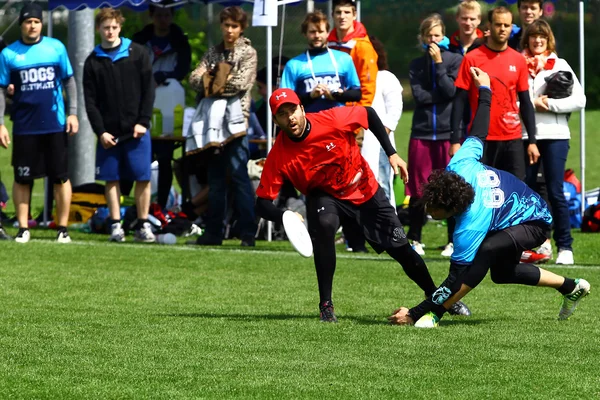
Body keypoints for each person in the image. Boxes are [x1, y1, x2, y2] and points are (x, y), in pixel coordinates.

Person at [388, 67, 590, 328]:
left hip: (535, 221)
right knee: (503, 273)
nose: (429, 211)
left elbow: (455, 279)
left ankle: (434, 316)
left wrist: (417, 312)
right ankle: (572, 287)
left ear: (451, 208)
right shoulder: (459, 163)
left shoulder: (471, 222)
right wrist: (485, 89)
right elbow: (479, 129)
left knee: (487, 250)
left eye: (433, 209)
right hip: (514, 215)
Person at [255, 88, 471, 322]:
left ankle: (437, 297)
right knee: (325, 224)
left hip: (365, 190)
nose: (290, 118)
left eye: (293, 110)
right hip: (325, 197)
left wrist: (392, 153)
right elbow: (262, 203)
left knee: (404, 251)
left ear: (302, 109)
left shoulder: (331, 119)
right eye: (283, 114)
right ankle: (326, 306)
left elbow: (368, 114)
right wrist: (285, 215)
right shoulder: (279, 154)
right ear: (275, 120)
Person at [0, 3, 79, 243]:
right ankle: (23, 228)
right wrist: (0, 123)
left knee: (60, 177)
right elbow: (1, 90)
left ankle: (62, 228)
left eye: (36, 21)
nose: (32, 25)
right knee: (22, 178)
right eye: (27, 22)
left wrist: (73, 112)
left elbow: (69, 81)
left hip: (54, 124)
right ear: (22, 25)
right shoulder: (9, 54)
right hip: (25, 125)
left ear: (41, 24)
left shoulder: (55, 48)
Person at [83, 8, 156, 243]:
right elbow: (90, 101)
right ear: (98, 30)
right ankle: (116, 226)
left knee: (142, 177)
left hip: (137, 131)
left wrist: (143, 122)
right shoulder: (92, 60)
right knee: (111, 179)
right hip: (108, 133)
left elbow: (149, 90)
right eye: (106, 27)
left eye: (114, 27)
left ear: (120, 27)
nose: (110, 31)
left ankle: (143, 225)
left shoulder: (138, 53)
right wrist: (100, 131)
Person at [188, 6, 258, 247]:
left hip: (237, 122)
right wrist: (217, 77)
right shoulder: (213, 52)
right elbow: (193, 79)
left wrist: (212, 78)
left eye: (234, 26)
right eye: (226, 25)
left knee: (239, 177)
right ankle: (213, 233)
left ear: (242, 28)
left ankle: (248, 233)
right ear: (221, 26)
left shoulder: (248, 53)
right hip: (211, 125)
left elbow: (240, 83)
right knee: (215, 180)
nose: (229, 30)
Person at [519, 20, 586, 265]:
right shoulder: (517, 62)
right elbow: (509, 101)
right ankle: (531, 245)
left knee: (556, 192)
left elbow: (580, 100)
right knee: (526, 193)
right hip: (525, 137)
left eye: (542, 37)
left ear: (549, 41)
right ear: (527, 40)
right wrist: (528, 105)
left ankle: (565, 246)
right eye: (534, 37)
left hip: (556, 136)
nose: (538, 41)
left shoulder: (560, 64)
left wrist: (549, 105)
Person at [451, 6, 538, 182]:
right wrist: (454, 140)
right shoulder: (472, 58)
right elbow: (459, 101)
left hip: (512, 139)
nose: (503, 29)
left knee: (516, 191)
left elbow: (526, 102)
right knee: (482, 192)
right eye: (498, 24)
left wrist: (532, 141)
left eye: (507, 25)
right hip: (482, 139)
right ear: (489, 27)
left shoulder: (518, 60)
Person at [406, 15, 463, 257]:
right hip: (421, 133)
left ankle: (452, 241)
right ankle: (414, 238)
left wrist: (439, 65)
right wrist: (440, 92)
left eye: (437, 35)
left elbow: (451, 91)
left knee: (450, 188)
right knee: (419, 189)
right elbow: (420, 97)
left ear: (445, 36)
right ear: (422, 38)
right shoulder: (415, 65)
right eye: (429, 36)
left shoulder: (455, 60)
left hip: (447, 134)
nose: (433, 40)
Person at [132, 3, 191, 211]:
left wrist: (164, 76)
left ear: (172, 16)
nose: (163, 19)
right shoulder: (140, 40)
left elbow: (183, 68)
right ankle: (136, 205)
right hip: (142, 103)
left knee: (165, 159)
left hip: (168, 106)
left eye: (167, 15)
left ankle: (162, 205)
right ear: (152, 15)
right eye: (159, 15)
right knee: (139, 159)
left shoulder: (180, 41)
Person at [281, 10, 361, 113]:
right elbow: (286, 101)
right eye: (312, 32)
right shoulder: (294, 64)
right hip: (311, 123)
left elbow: (357, 94)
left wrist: (336, 95)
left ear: (328, 33)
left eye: (321, 31)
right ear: (305, 34)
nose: (317, 36)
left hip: (338, 122)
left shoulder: (344, 58)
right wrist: (310, 96)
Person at [361, 36, 402, 206]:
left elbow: (395, 109)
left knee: (382, 186)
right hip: (357, 142)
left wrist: (380, 136)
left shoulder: (385, 77)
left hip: (380, 145)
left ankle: (390, 230)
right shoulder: (353, 79)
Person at [327, 0, 378, 107]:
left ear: (354, 15)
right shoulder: (326, 44)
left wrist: (360, 115)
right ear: (332, 15)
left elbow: (367, 87)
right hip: (328, 108)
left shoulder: (363, 47)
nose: (342, 16)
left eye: (347, 12)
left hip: (352, 111)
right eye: (338, 12)